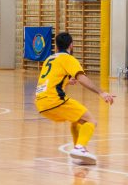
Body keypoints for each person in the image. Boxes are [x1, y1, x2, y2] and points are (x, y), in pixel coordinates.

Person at [34, 32, 115, 165]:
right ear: (71, 45)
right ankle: (79, 147)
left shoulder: (50, 59)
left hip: (41, 103)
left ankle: (80, 151)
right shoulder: (68, 59)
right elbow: (81, 78)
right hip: (54, 100)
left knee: (77, 120)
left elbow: (49, 80)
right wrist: (101, 93)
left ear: (56, 46)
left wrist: (66, 82)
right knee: (91, 121)